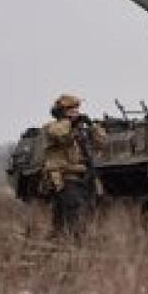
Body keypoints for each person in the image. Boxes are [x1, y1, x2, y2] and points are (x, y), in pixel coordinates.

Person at [42, 94, 106, 237]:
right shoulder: (52, 127)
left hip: (83, 175)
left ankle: (62, 240)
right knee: (74, 209)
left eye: (77, 109)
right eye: (71, 109)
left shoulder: (80, 129)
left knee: (85, 209)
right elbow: (60, 133)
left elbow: (101, 142)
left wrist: (93, 126)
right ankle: (74, 242)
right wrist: (68, 121)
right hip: (64, 176)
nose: (76, 112)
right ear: (61, 111)